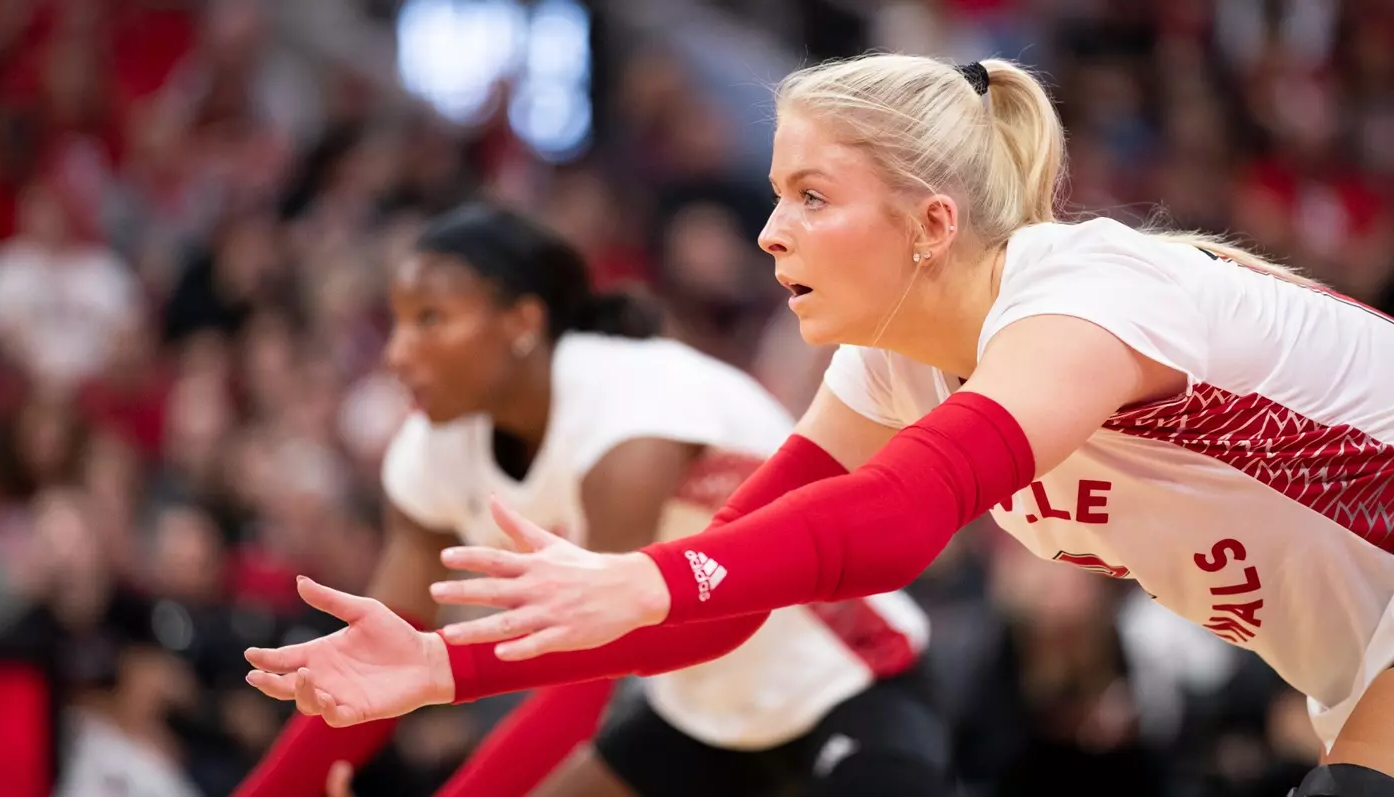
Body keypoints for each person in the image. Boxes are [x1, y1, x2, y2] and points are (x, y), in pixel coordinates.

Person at [245, 56, 1394, 796]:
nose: (766, 232)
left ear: (932, 223)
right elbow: (718, 604)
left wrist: (653, 578)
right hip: (1350, 662)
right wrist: (444, 664)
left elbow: (897, 517)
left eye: (810, 196)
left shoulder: (1085, 295)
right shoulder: (895, 362)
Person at [234, 203, 947, 797]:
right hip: (696, 713)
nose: (396, 353)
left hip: (850, 679)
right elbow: (376, 660)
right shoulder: (433, 449)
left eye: (431, 320)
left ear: (520, 323)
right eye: (396, 322)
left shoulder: (628, 413)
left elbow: (595, 659)